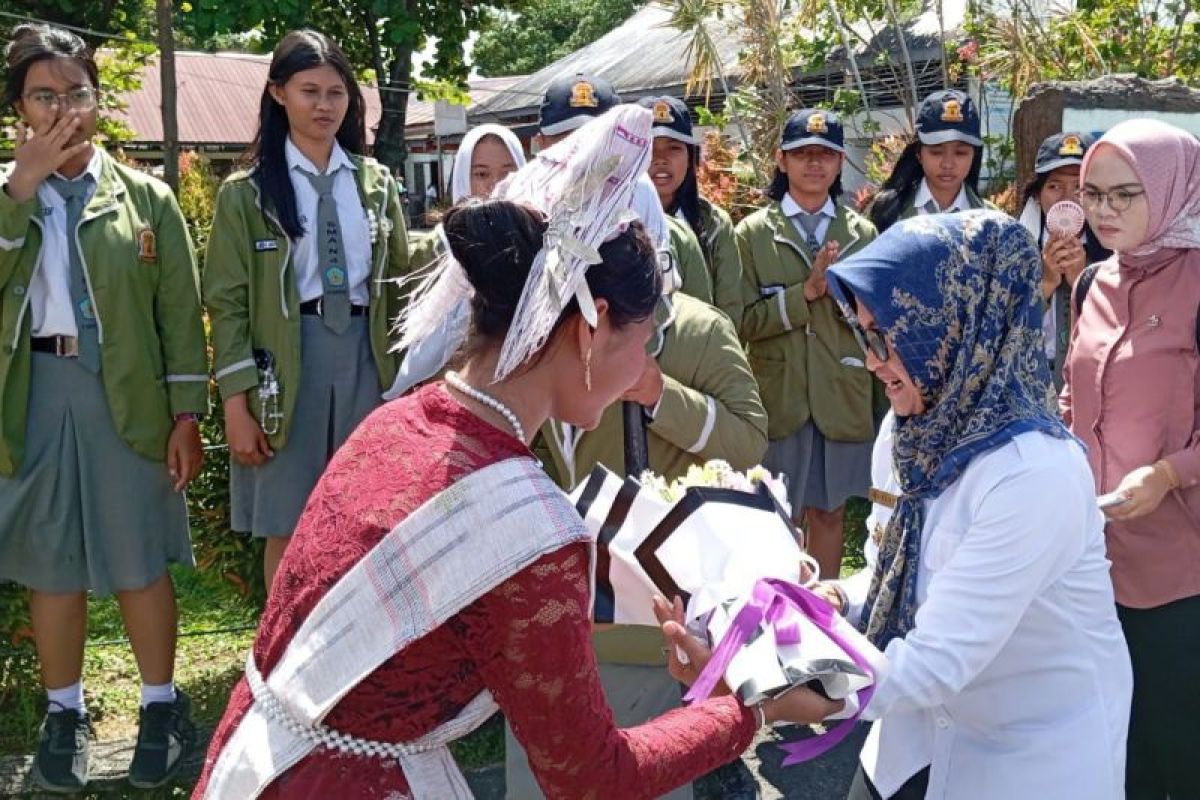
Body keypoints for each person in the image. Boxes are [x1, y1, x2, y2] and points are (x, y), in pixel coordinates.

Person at [193, 198, 840, 800]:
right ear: (593, 328)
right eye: (644, 338)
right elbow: (592, 779)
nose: (645, 359)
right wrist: (753, 706)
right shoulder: (530, 534)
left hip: (253, 765)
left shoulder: (394, 423)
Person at [816, 210, 1131, 800]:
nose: (873, 360)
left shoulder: (1034, 473)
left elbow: (934, 663)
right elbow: (898, 573)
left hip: (1030, 758)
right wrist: (835, 599)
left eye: (885, 337)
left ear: (954, 327)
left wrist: (780, 688)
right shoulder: (908, 431)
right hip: (912, 741)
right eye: (860, 335)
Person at [0, 23, 208, 792]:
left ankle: (160, 706)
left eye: (76, 93)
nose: (63, 111)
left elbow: (180, 319)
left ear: (97, 100)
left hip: (126, 395)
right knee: (51, 564)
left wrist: (188, 415)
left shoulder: (145, 198)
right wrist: (18, 193)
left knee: (136, 557)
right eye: (43, 96)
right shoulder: (5, 193)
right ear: (18, 108)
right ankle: (65, 712)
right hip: (34, 394)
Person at [204, 30, 409, 589]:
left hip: (368, 362)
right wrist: (236, 402)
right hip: (288, 367)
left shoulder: (375, 184)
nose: (324, 106)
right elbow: (226, 303)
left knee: (368, 524)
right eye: (309, 91)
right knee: (290, 530)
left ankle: (362, 664)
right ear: (277, 94)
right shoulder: (247, 195)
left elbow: (399, 284)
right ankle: (285, 664)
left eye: (336, 93)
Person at [1063, 118, 1200, 800]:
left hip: (1183, 568)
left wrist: (1171, 473)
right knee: (1109, 747)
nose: (1105, 210)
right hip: (1092, 561)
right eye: (1093, 194)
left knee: (1177, 749)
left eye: (1126, 194)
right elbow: (1072, 397)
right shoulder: (1092, 282)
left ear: (1173, 191)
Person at [736, 108, 879, 579]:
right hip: (782, 395)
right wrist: (805, 296)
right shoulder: (753, 234)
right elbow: (742, 322)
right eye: (802, 155)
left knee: (831, 511)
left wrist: (846, 305)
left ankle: (826, 614)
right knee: (776, 515)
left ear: (840, 163)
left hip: (841, 391)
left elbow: (876, 322)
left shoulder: (862, 234)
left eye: (825, 155)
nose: (813, 165)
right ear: (781, 161)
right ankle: (774, 610)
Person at [536, 73, 713, 305]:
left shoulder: (640, 190)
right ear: (540, 143)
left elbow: (662, 295)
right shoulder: (522, 198)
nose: (580, 149)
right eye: (566, 137)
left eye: (597, 136)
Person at [383, 123, 526, 399]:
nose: (495, 185)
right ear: (462, 176)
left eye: (508, 173)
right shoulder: (435, 249)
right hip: (443, 388)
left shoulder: (537, 242)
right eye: (481, 174)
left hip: (517, 393)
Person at [639, 94, 743, 326]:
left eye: (674, 148)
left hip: (698, 352)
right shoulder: (612, 221)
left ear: (690, 158)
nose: (661, 159)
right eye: (649, 147)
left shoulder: (713, 224)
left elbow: (730, 312)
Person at [1017, 131, 1110, 388]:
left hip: (1090, 383)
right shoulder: (1013, 250)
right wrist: (1045, 283)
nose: (1067, 199)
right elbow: (1002, 332)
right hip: (1031, 380)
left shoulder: (1115, 252)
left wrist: (1083, 281)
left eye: (1079, 188)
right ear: (1037, 194)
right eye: (1055, 186)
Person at [867, 89, 991, 233]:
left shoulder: (992, 220)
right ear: (918, 153)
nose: (948, 164)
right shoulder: (887, 212)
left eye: (960, 153)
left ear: (974, 155)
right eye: (936, 152)